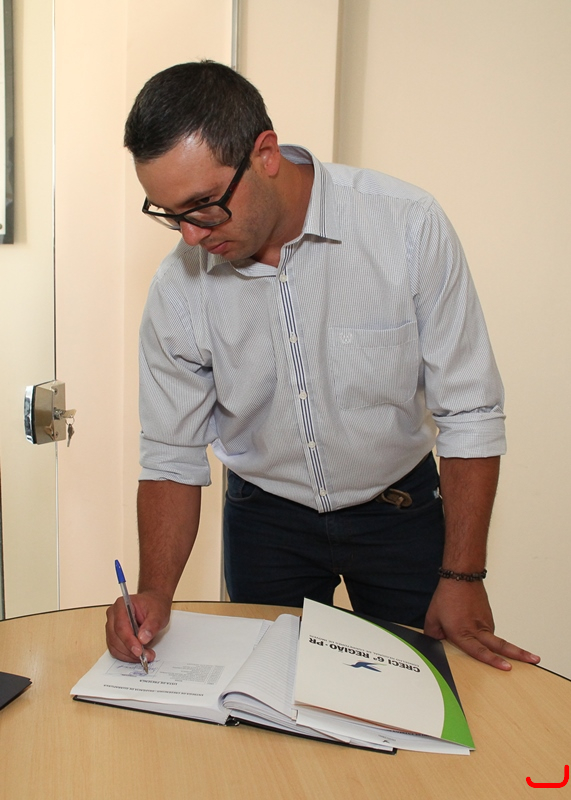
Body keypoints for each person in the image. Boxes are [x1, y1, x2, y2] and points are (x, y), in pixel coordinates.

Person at [106, 61, 539, 672]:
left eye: (203, 205)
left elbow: (470, 410)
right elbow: (171, 455)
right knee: (265, 702)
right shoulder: (178, 286)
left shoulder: (406, 225)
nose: (190, 237)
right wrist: (155, 590)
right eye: (170, 213)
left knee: (426, 695)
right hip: (264, 523)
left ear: (265, 154)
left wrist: (463, 575)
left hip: (400, 513)